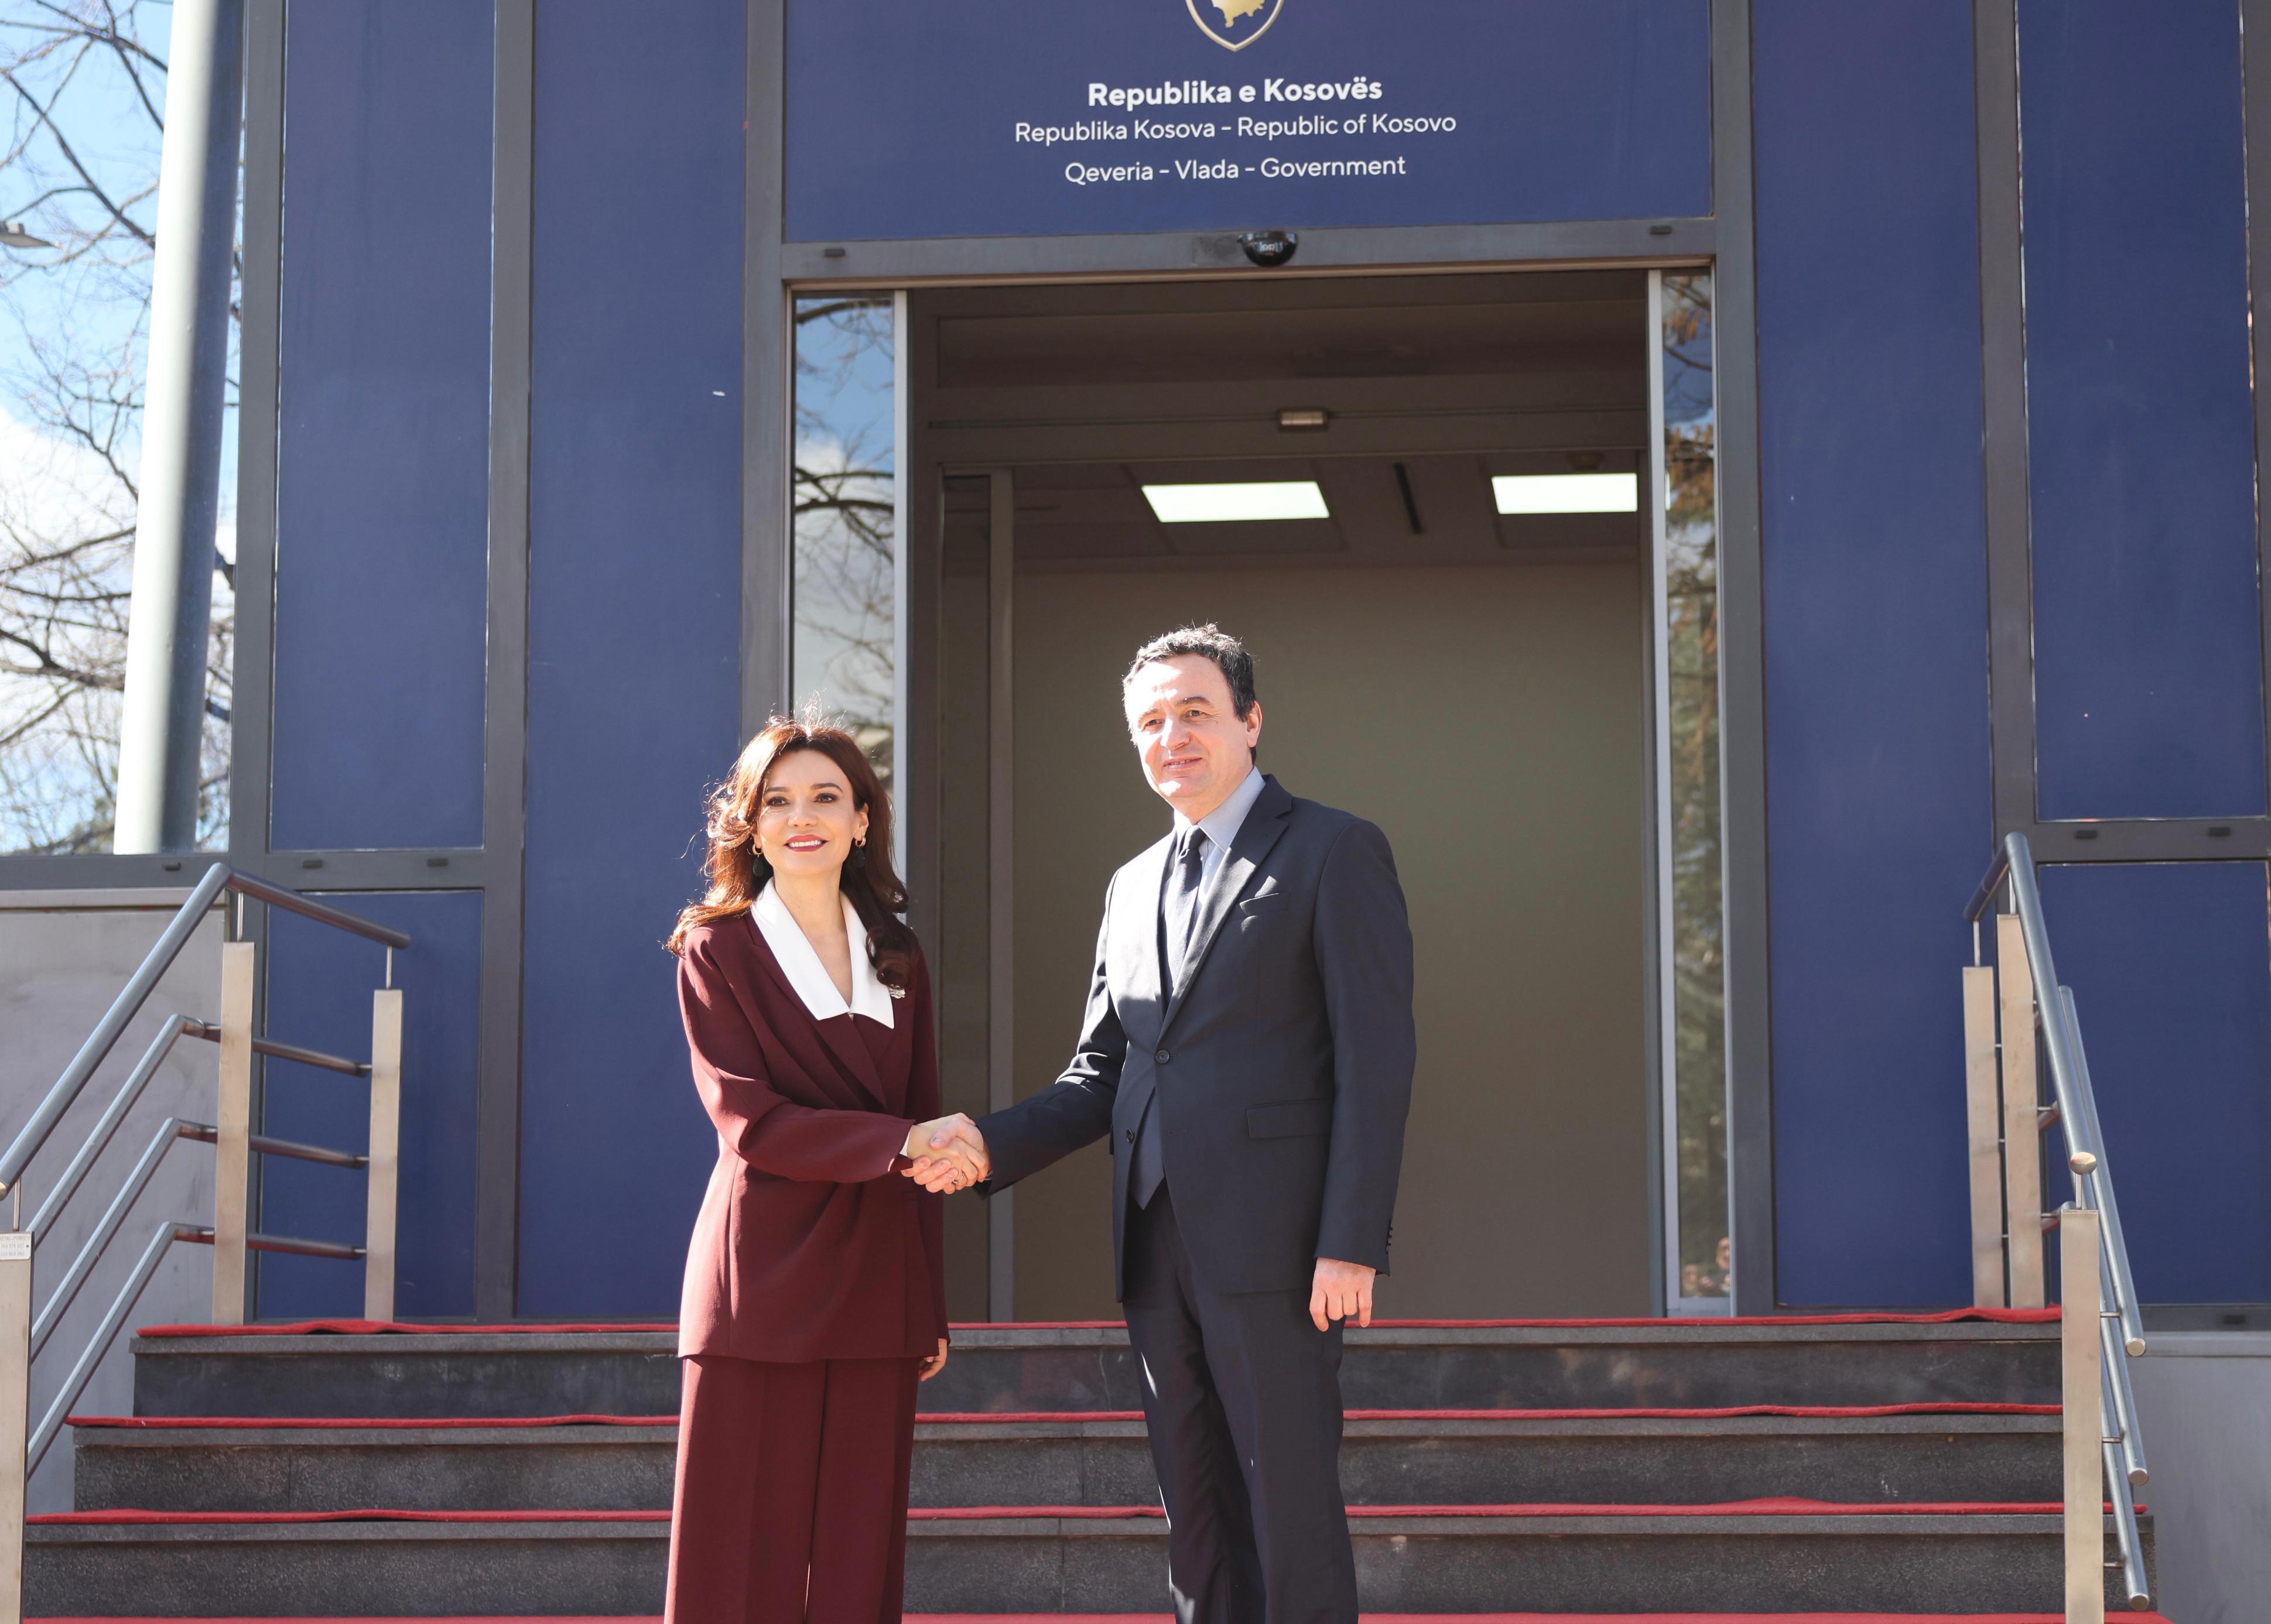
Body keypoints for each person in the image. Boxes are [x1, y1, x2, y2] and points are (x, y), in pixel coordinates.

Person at [906, 624, 1416, 1624]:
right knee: (1195, 1509)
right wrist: (986, 1142)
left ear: (1250, 720)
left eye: (1194, 711)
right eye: (1149, 720)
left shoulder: (1334, 849)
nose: (1170, 735)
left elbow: (1376, 1061)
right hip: (1153, 1243)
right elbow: (1102, 1071)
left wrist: (1350, 1240)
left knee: (1286, 1500)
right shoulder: (1130, 883)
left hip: (1279, 1248)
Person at [663, 717, 983, 1624]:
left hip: (880, 1275)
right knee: (735, 1561)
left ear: (862, 821)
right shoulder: (716, 948)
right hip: (758, 1280)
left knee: (858, 1555)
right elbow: (750, 1122)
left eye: (825, 797)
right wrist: (903, 1142)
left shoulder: (899, 954)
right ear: (752, 825)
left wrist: (929, 1299)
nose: (801, 817)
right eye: (778, 800)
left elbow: (921, 1117)